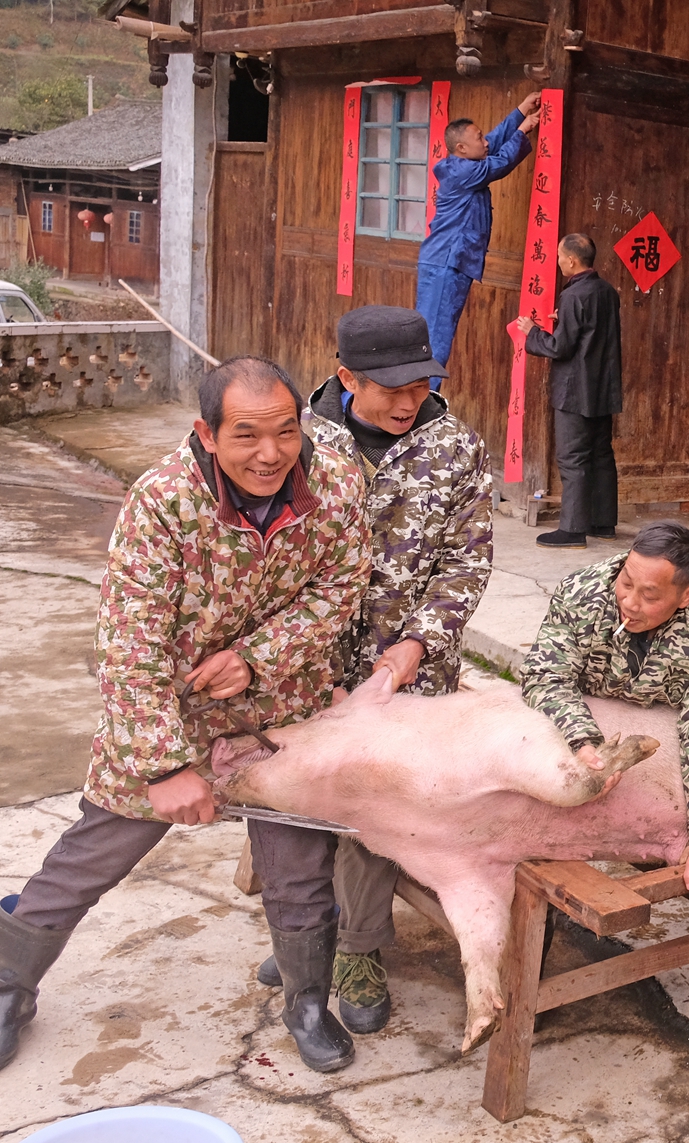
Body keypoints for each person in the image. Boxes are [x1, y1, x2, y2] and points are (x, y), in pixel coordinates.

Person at [0, 357, 371, 1075]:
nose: (270, 454)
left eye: (286, 432)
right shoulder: (163, 500)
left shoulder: (335, 478)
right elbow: (128, 637)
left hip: (278, 698)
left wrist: (258, 656)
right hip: (166, 704)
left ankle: (306, 1001)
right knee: (94, 852)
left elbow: (340, 584)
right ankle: (9, 984)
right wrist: (167, 765)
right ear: (207, 432)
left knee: (297, 861)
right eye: (246, 435)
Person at [256, 306, 493, 1034]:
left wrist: (415, 646)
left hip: (408, 674)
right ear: (345, 375)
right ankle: (305, 928)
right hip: (303, 661)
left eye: (419, 385)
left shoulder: (456, 448)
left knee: (373, 808)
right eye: (388, 387)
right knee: (295, 796)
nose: (405, 402)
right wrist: (298, 656)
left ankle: (359, 948)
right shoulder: (299, 444)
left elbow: (467, 562)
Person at [520, 522, 689, 898]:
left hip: (656, 752)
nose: (630, 602)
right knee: (543, 846)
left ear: (688, 595)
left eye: (650, 595)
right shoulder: (581, 593)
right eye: (626, 582)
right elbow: (547, 677)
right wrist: (584, 739)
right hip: (578, 727)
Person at [416, 92, 541, 389]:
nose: (485, 141)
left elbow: (494, 144)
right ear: (461, 148)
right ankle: (423, 405)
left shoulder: (462, 162)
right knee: (435, 340)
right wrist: (523, 129)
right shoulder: (464, 172)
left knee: (434, 338)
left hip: (448, 262)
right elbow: (497, 163)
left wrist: (521, 110)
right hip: (446, 263)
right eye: (478, 137)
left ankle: (421, 401)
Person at [517, 232, 622, 549]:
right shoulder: (606, 291)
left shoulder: (575, 296)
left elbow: (561, 347)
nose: (558, 260)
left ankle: (573, 530)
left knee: (572, 458)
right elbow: (589, 334)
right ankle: (603, 523)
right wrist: (561, 322)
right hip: (602, 387)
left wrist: (532, 333)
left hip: (575, 390)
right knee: (601, 456)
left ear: (572, 260)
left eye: (560, 255)